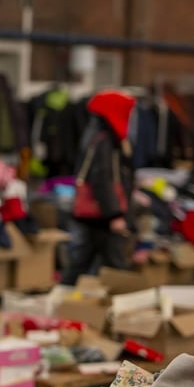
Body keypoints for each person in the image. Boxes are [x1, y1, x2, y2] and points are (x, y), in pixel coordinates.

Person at [62, 90, 136, 285]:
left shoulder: (96, 136)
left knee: (81, 263)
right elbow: (102, 179)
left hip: (95, 216)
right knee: (113, 265)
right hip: (103, 216)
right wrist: (114, 214)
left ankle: (62, 301)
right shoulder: (105, 141)